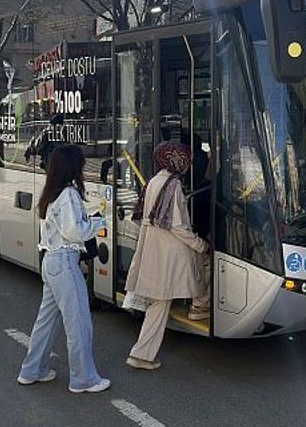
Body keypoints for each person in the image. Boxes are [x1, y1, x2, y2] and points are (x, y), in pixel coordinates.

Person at [17, 144, 110, 394]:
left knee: (47, 321)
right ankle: (84, 379)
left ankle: (32, 370)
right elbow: (75, 231)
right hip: (65, 263)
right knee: (78, 322)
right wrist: (99, 221)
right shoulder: (68, 193)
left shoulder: (51, 192)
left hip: (51, 262)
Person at [124, 141, 210, 370]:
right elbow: (178, 226)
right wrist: (200, 244)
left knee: (158, 304)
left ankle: (142, 354)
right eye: (184, 159)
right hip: (168, 253)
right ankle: (141, 355)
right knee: (163, 300)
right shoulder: (173, 185)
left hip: (154, 250)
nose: (188, 164)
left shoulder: (155, 180)